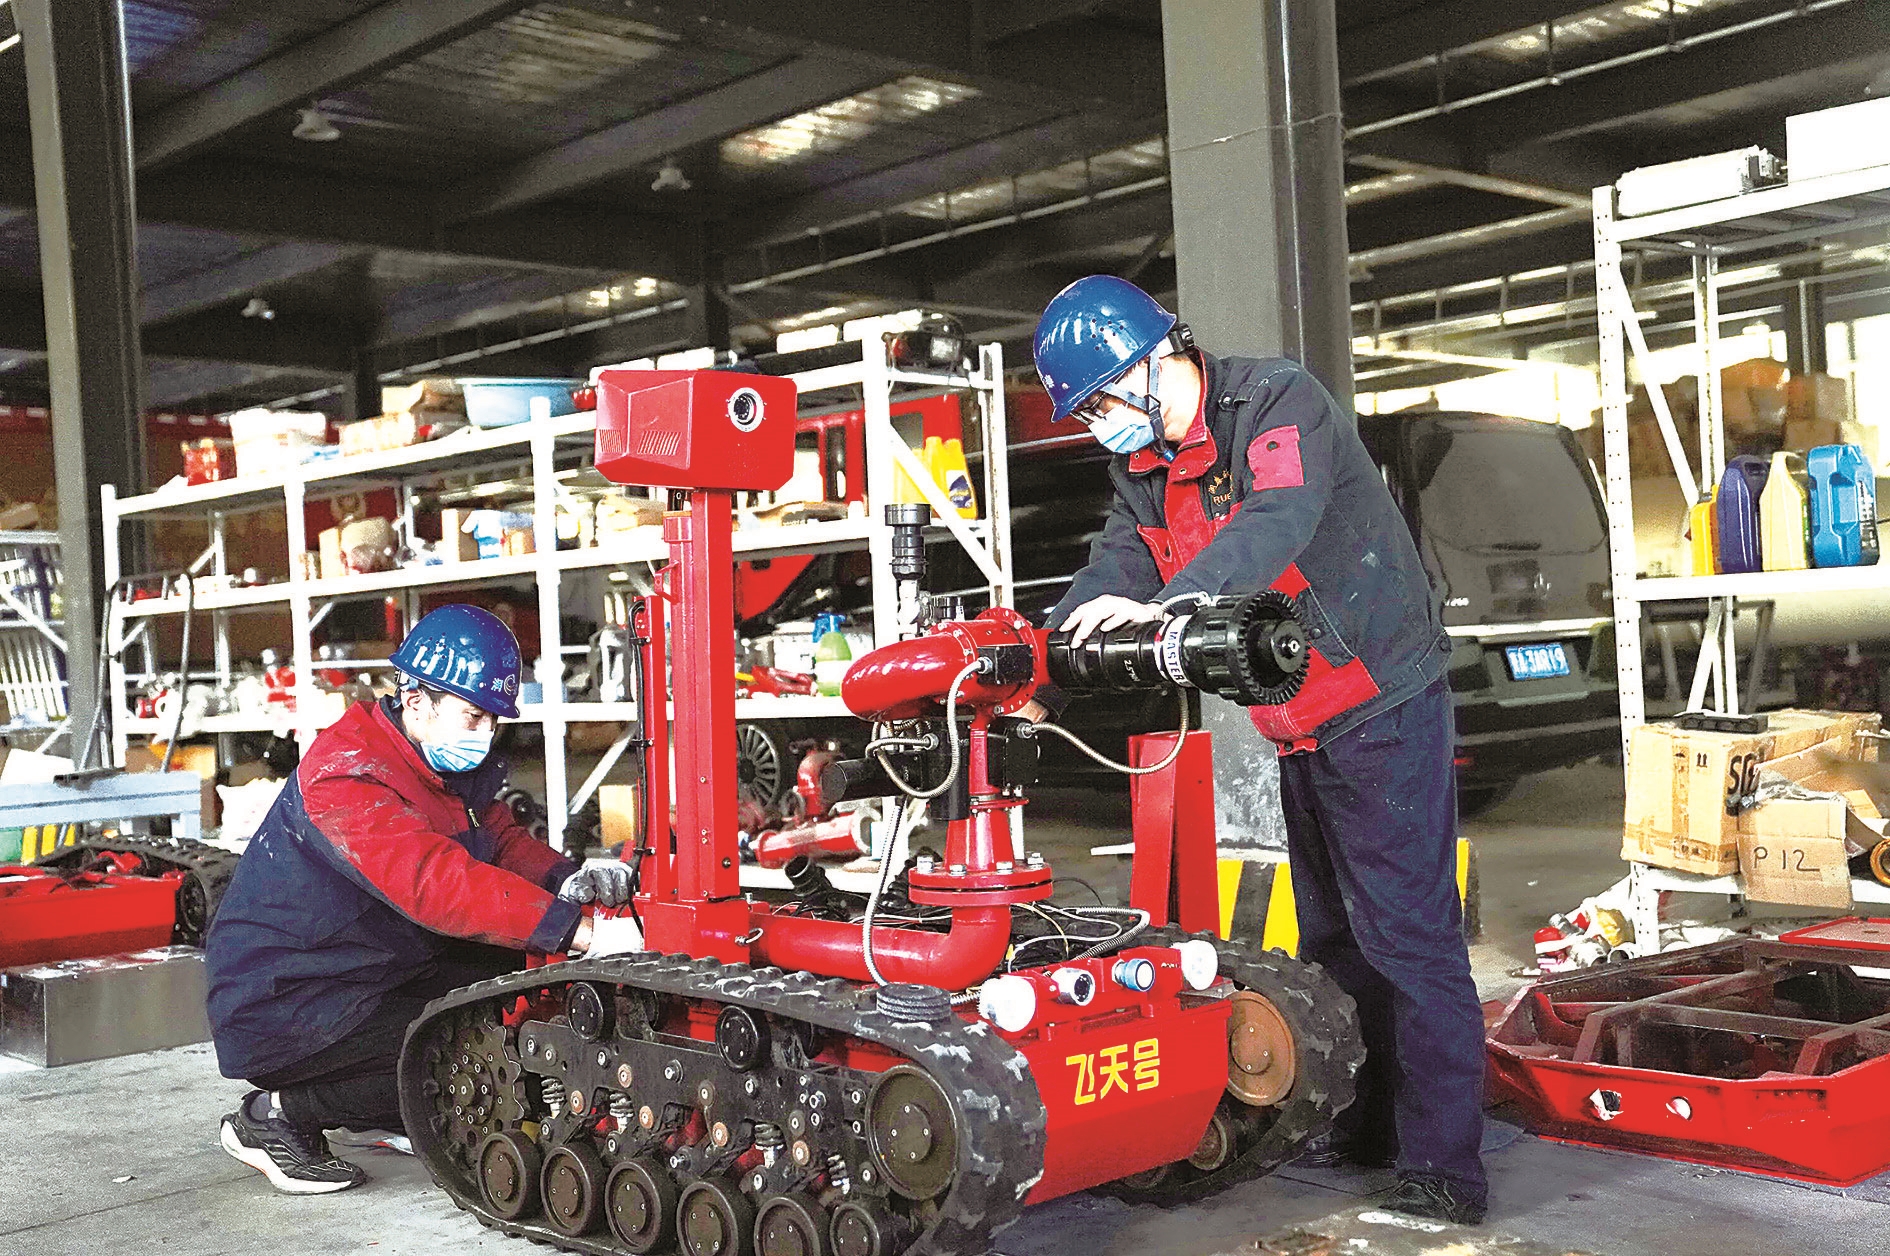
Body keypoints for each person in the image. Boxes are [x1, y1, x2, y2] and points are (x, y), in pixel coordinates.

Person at [1023, 276, 1487, 1224]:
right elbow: (1117, 566)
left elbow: (1277, 519)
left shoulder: (1276, 401)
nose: (1103, 425)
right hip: (1296, 720)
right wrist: (1036, 673)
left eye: (1105, 401)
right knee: (1333, 942)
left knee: (1409, 942)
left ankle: (1445, 1167)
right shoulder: (1143, 465)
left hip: (1381, 701)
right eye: (1089, 415)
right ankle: (1367, 1128)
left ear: (1159, 359)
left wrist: (1166, 608)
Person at [205, 604, 632, 1194]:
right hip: (287, 999)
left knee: (513, 991)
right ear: (416, 701)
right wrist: (578, 931)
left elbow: (499, 839)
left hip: (373, 962)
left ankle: (389, 1108)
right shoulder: (348, 773)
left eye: (493, 719)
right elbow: (436, 883)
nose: (485, 733)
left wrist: (568, 879)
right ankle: (276, 1115)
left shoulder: (434, 760)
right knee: (455, 1051)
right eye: (473, 715)